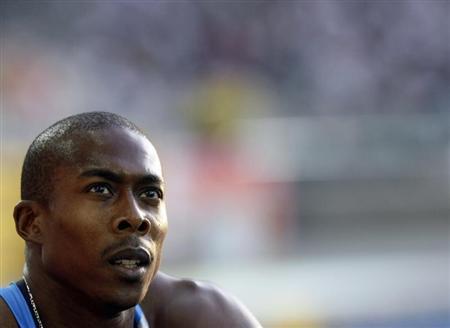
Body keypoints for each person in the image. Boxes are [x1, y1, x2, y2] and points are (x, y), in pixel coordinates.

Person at [0, 112, 261, 328]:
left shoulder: (205, 318)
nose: (136, 218)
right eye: (101, 189)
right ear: (31, 222)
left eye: (150, 194)